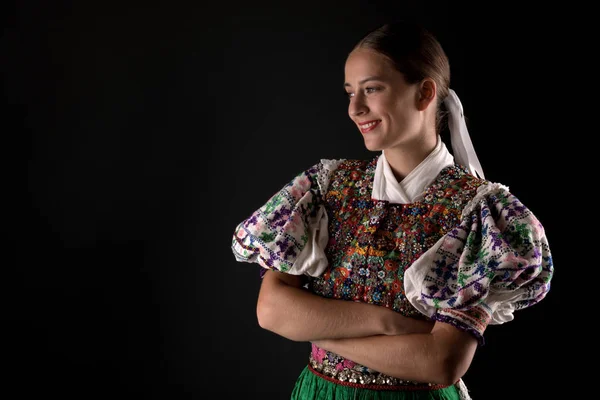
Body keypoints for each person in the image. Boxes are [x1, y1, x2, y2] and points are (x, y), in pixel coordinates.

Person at [231, 20, 553, 400]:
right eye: (350, 92)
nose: (354, 108)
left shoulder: (479, 212)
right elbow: (272, 310)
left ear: (424, 93)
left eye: (372, 89)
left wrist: (315, 327)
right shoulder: (326, 187)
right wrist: (391, 325)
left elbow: (439, 362)